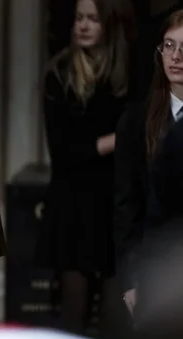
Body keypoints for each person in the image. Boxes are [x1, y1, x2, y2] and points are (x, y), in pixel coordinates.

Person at [36, 0, 135, 339]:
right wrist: (115, 141)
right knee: (74, 312)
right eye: (79, 18)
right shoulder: (58, 74)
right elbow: (62, 153)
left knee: (115, 312)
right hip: (72, 200)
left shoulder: (129, 75)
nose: (83, 25)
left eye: (93, 19)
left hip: (113, 200)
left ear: (109, 25)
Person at [115, 8, 183, 322]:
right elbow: (128, 208)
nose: (176, 56)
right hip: (157, 271)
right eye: (169, 46)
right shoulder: (136, 122)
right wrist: (133, 279)